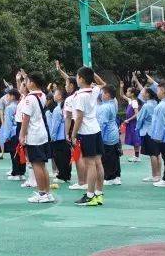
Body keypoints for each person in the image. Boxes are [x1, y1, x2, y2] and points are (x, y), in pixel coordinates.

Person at [70, 66, 104, 206]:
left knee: (90, 164)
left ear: (81, 79)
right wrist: (92, 73)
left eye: (77, 76)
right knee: (98, 162)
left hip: (86, 132)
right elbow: (103, 84)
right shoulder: (94, 90)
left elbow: (79, 117)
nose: (76, 79)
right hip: (96, 130)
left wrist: (73, 135)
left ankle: (90, 196)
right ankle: (98, 194)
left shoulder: (80, 96)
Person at [17, 72, 53, 203]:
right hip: (42, 133)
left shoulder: (29, 98)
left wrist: (22, 135)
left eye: (27, 81)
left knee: (36, 164)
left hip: (34, 134)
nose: (26, 83)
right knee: (42, 165)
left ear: (32, 83)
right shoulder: (42, 95)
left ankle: (42, 193)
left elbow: (26, 118)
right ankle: (47, 193)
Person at [97, 85, 122, 186]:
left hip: (107, 135)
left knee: (107, 157)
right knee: (114, 156)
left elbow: (102, 124)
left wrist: (99, 137)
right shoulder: (112, 103)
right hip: (113, 133)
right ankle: (116, 176)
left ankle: (110, 177)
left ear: (107, 95)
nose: (101, 95)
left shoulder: (105, 107)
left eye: (102, 93)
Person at [136, 84, 161, 182]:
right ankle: (158, 174)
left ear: (147, 94)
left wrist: (137, 128)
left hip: (148, 131)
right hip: (156, 131)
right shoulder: (156, 103)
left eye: (143, 92)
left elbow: (140, 119)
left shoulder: (146, 106)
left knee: (152, 154)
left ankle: (154, 176)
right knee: (157, 154)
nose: (142, 94)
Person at [48, 86, 71, 188]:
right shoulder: (65, 107)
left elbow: (55, 125)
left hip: (58, 137)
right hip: (65, 135)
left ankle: (62, 175)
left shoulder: (58, 109)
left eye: (55, 94)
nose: (54, 95)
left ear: (60, 96)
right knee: (66, 156)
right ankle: (66, 175)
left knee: (59, 157)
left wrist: (52, 136)